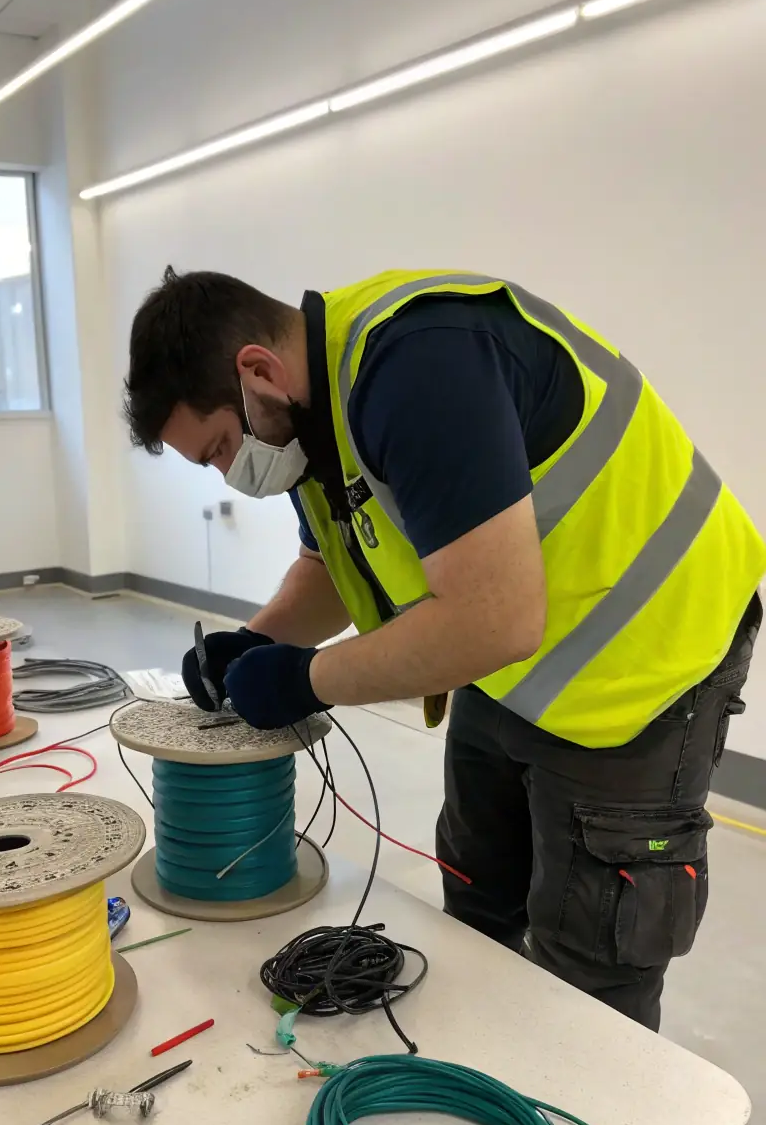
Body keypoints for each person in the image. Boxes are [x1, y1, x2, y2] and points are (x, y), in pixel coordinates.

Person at [124, 265, 765, 1033]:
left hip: (646, 657)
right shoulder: (306, 413)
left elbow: (493, 620)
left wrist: (310, 677)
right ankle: (489, 1075)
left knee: (590, 959)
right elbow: (335, 563)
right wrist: (258, 640)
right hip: (518, 667)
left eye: (220, 448)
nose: (231, 475)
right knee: (476, 892)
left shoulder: (418, 368)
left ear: (258, 372)